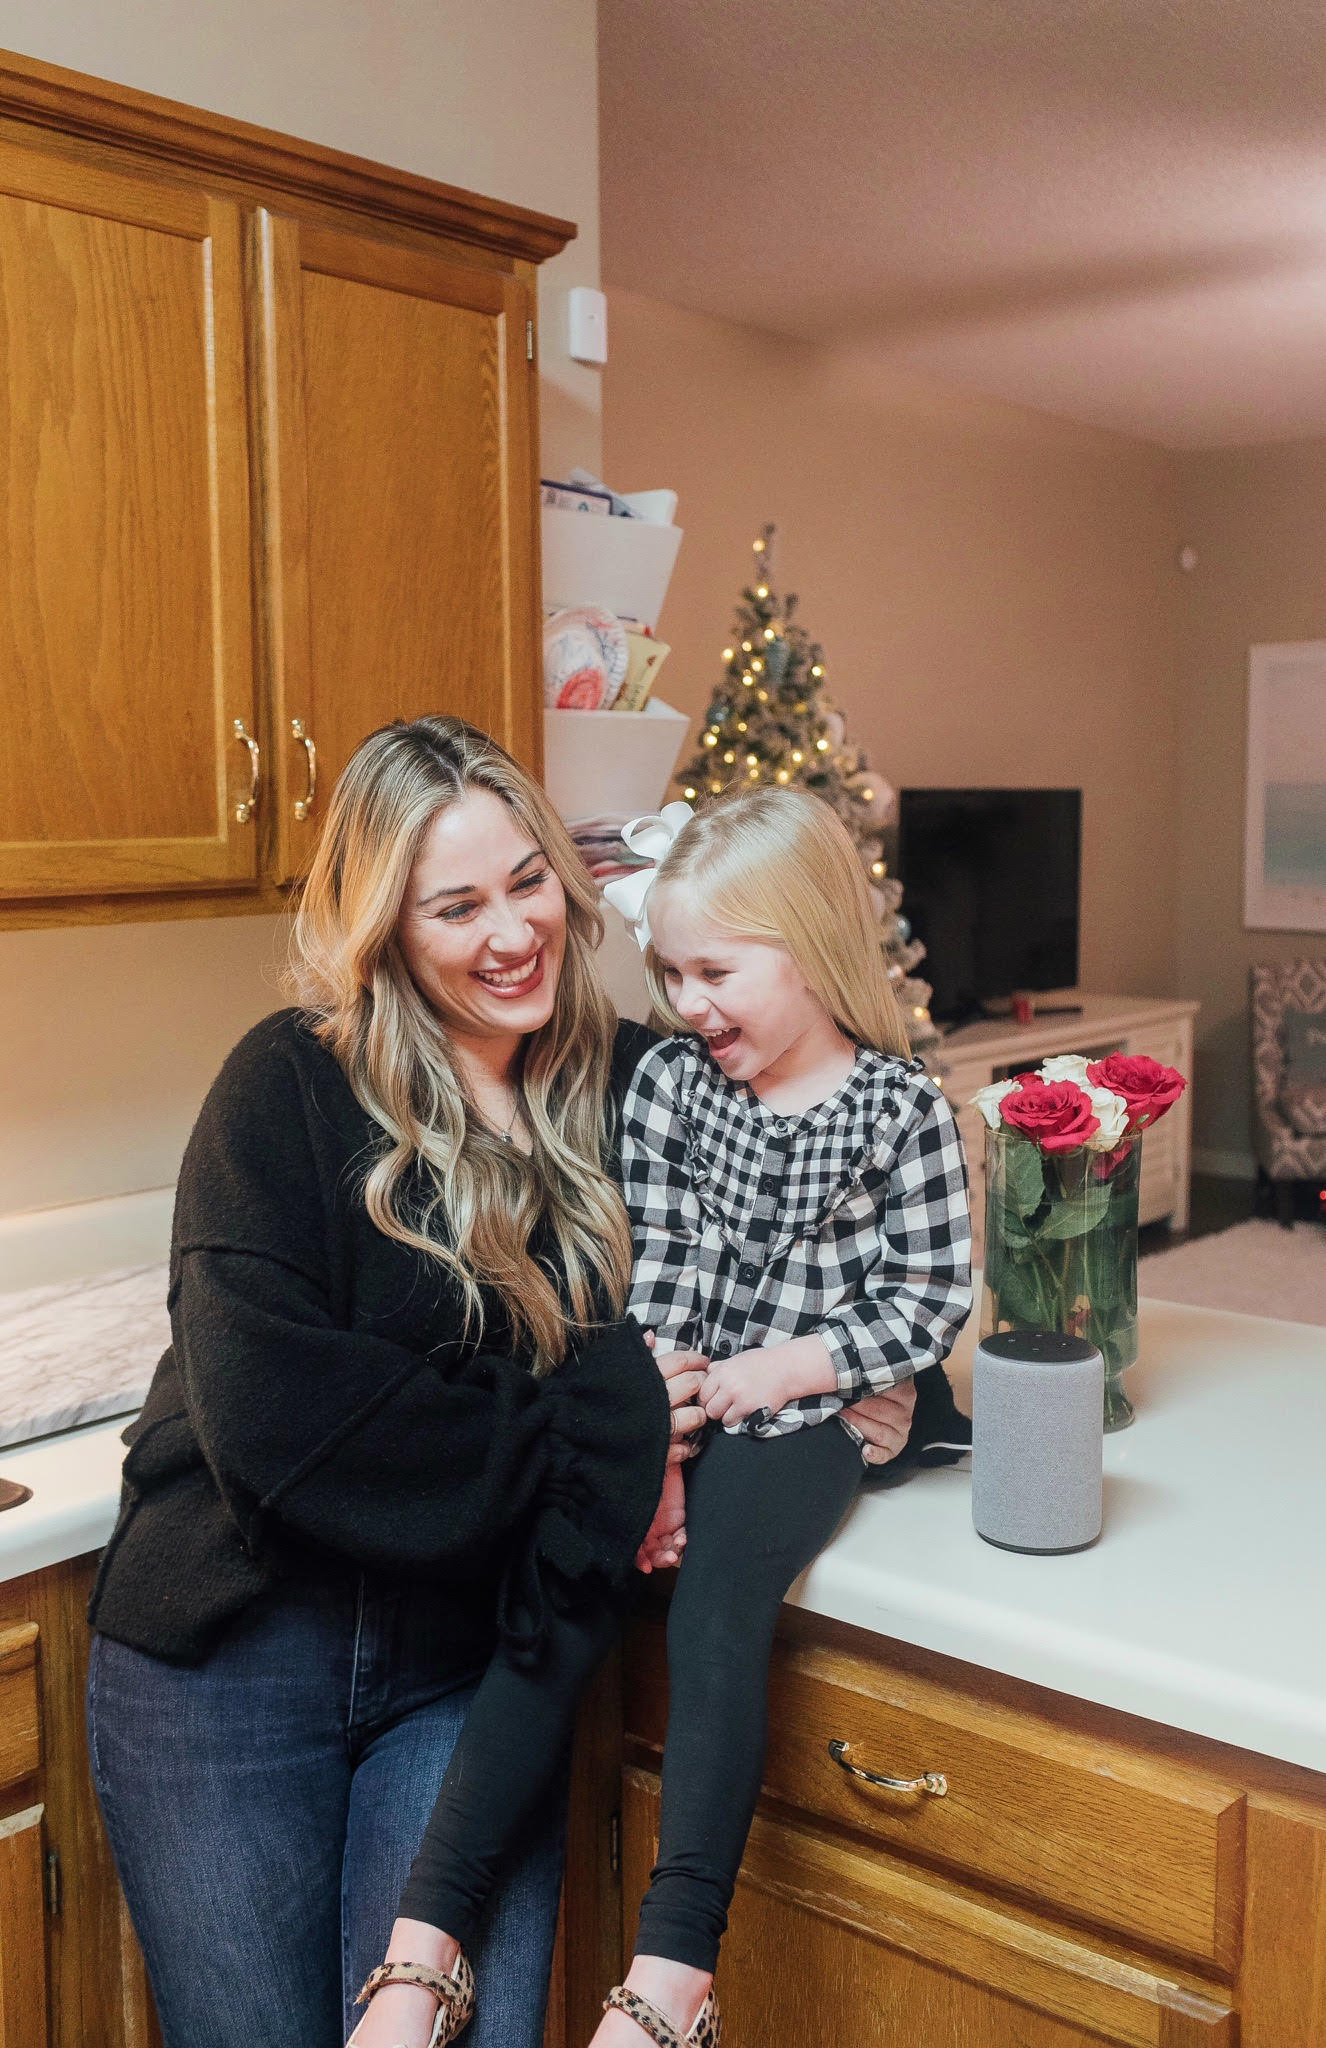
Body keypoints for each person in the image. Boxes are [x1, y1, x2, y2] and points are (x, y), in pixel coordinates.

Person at [84, 717, 910, 2048]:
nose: (511, 931)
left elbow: (847, 1254)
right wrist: (617, 1408)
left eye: (527, 880)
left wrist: (880, 1389)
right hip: (230, 1661)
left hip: (476, 1667)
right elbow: (282, 1425)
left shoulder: (647, 1087)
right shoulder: (286, 1088)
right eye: (456, 904)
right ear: (386, 925)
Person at [592, 785, 972, 2047]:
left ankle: (673, 1970)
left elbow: (925, 1298)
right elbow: (663, 1274)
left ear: (810, 947)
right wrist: (660, 1439)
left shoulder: (900, 1109)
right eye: (672, 970)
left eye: (716, 969)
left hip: (812, 1414)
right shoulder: (674, 1089)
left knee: (716, 1609)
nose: (690, 1002)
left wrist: (794, 1366)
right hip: (692, 1391)